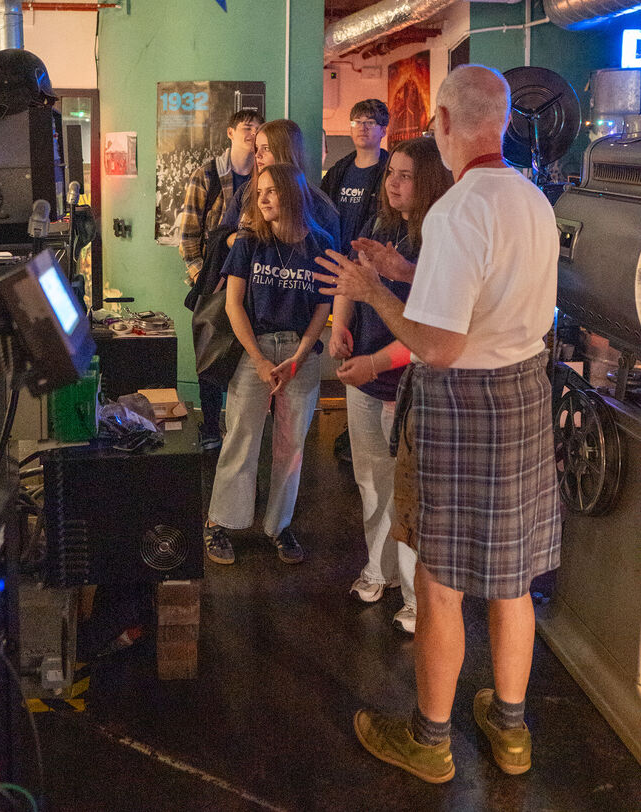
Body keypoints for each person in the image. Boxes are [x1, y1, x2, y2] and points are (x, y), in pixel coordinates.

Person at [315, 65, 560, 784]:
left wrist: (367, 290)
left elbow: (439, 345)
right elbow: (483, 300)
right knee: (511, 581)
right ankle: (511, 732)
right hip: (523, 396)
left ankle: (429, 739)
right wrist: (401, 268)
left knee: (441, 585)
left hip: (461, 406)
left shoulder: (458, 209)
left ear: (447, 124)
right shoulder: (532, 199)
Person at [331, 139, 451, 634]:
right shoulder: (377, 227)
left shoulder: (439, 240)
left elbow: (432, 331)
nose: (394, 183)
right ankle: (376, 570)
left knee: (411, 497)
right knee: (372, 484)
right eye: (391, 174)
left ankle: (414, 596)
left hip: (408, 384)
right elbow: (349, 281)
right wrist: (340, 325)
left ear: (429, 183)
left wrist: (374, 364)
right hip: (365, 381)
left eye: (405, 175)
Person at [203, 163, 333, 566]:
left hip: (300, 352)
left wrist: (297, 357)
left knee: (291, 446)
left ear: (293, 194)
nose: (262, 198)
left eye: (271, 191)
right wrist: (259, 361)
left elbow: (321, 311)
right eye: (259, 192)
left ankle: (280, 525)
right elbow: (233, 304)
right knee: (241, 436)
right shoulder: (249, 242)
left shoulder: (322, 244)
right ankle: (220, 523)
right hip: (252, 349)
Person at [179, 108, 263, 450]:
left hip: (254, 286)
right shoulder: (208, 174)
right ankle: (211, 428)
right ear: (230, 132)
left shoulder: (265, 176)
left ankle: (241, 432)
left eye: (258, 128)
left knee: (246, 358)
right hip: (216, 284)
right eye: (246, 127)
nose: (252, 133)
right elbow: (187, 235)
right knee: (210, 355)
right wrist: (206, 280)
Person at [222, 119, 340, 250]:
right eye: (256, 148)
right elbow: (221, 235)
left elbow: (330, 255)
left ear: (286, 152)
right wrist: (243, 240)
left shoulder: (319, 204)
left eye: (266, 148)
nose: (257, 155)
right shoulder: (246, 192)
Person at [321, 98, 389, 254]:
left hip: (369, 257)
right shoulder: (338, 171)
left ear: (383, 131)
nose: (362, 128)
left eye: (370, 122)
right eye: (357, 122)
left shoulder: (389, 174)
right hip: (334, 254)